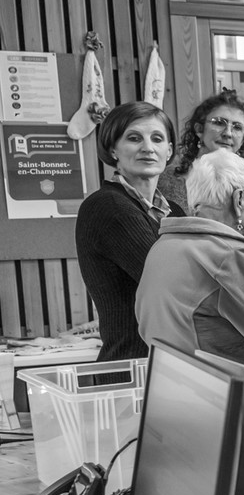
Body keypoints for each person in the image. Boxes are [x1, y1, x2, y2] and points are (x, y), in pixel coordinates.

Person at [135, 150, 244, 388]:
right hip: (235, 405)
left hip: (173, 397)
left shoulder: (163, 248)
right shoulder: (228, 255)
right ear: (239, 201)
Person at [76, 102, 181, 361]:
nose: (148, 147)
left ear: (168, 151)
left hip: (172, 364)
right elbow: (176, 282)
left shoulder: (174, 210)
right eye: (134, 138)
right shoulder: (107, 206)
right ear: (113, 148)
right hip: (132, 366)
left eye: (157, 139)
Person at [159, 88, 244, 211]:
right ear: (199, 129)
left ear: (243, 139)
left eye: (237, 127)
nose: (228, 133)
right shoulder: (168, 179)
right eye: (219, 123)